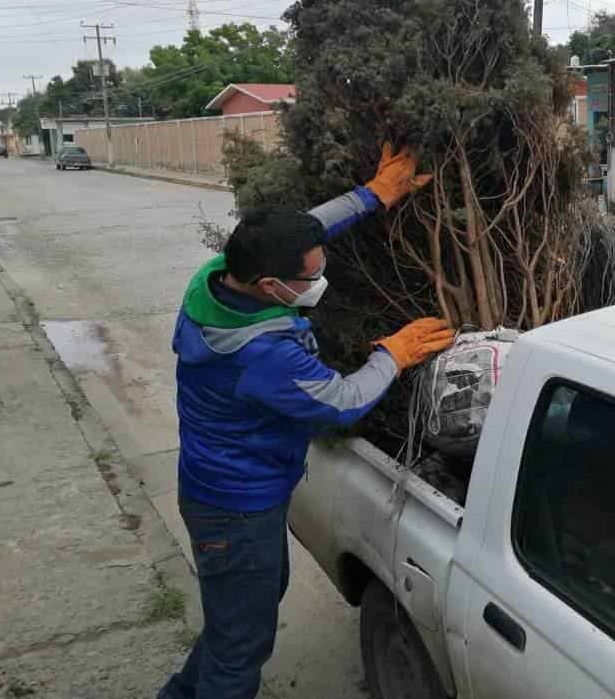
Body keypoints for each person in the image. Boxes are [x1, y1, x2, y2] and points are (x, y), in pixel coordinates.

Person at [158, 143, 455, 699]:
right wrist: (394, 352)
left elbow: (311, 226)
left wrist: (374, 194)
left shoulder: (216, 279)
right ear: (271, 286)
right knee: (240, 649)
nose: (321, 279)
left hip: (234, 492)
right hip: (235, 508)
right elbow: (342, 402)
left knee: (244, 615)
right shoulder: (260, 353)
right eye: (311, 275)